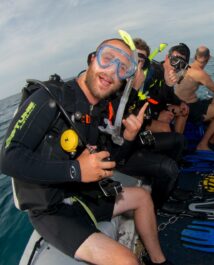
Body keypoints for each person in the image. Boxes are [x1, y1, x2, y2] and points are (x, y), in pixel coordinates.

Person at [1, 38, 171, 265]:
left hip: (82, 195)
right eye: (108, 58)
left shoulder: (98, 111)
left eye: (123, 68)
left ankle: (160, 261)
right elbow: (7, 158)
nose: (112, 71)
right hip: (52, 210)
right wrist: (75, 170)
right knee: (126, 261)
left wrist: (128, 139)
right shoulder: (49, 98)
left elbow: (109, 161)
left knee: (142, 197)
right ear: (92, 59)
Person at [113, 39, 189, 212]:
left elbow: (150, 104)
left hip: (136, 141)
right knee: (168, 167)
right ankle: (156, 207)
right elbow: (118, 114)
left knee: (178, 140)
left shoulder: (143, 80)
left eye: (142, 61)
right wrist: (133, 90)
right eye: (134, 58)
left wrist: (169, 90)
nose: (138, 65)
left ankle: (169, 189)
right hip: (120, 153)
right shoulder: (115, 84)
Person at [141, 43, 191, 134]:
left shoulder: (168, 74)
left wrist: (180, 102)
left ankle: (177, 138)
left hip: (157, 108)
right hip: (143, 113)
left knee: (184, 110)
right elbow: (139, 99)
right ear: (167, 58)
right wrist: (156, 116)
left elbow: (168, 95)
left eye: (181, 64)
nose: (176, 66)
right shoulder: (152, 72)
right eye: (174, 60)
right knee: (165, 128)